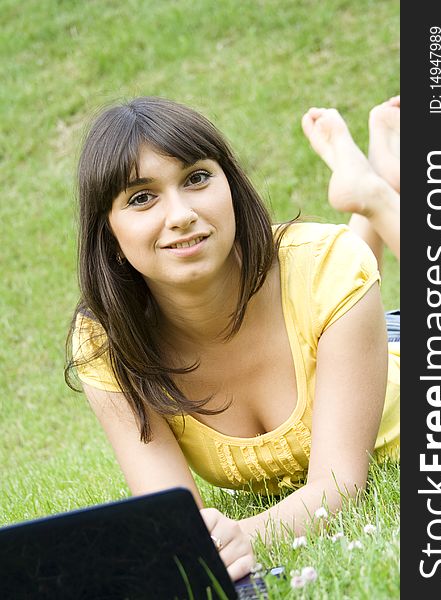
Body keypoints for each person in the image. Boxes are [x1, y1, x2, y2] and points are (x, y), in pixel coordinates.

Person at [66, 95, 400, 580]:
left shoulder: (326, 264)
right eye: (141, 197)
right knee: (331, 276)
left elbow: (339, 487)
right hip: (336, 314)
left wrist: (249, 535)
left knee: (338, 267)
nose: (179, 214)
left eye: (196, 178)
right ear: (108, 235)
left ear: (231, 188)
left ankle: (375, 196)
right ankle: (371, 189)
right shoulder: (109, 344)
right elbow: (180, 527)